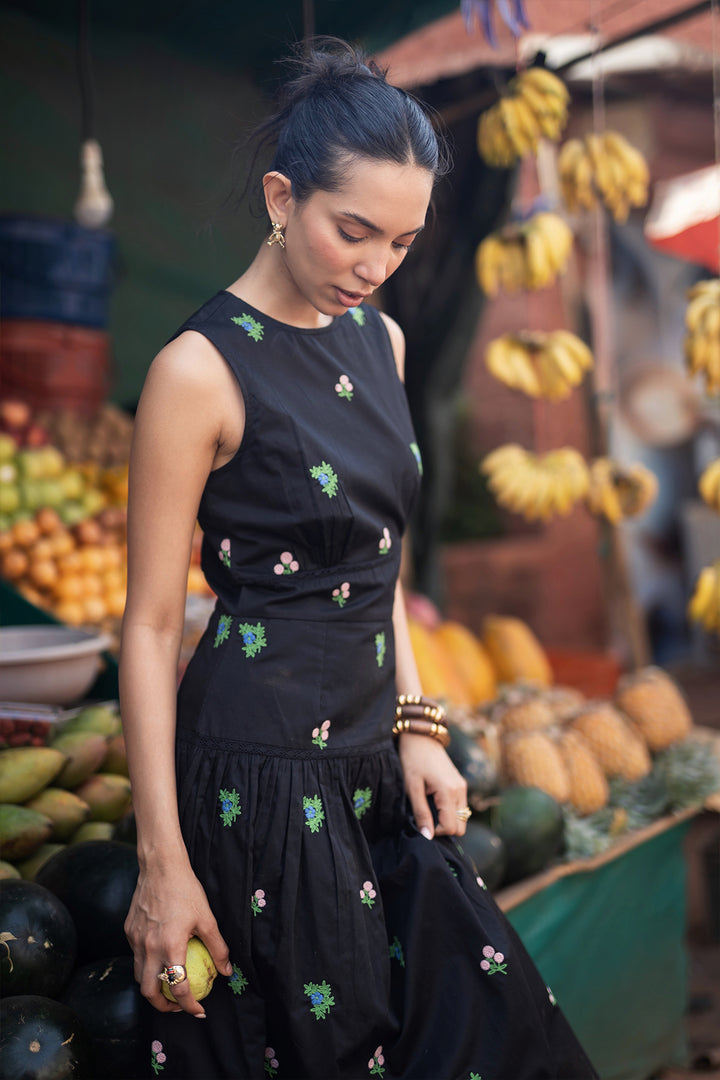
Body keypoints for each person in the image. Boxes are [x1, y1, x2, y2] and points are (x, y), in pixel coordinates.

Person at [120, 38, 598, 1080]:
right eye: (354, 232)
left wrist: (421, 727)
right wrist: (163, 864)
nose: (377, 267)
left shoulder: (379, 342)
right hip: (258, 783)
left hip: (379, 770)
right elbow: (152, 625)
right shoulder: (195, 373)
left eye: (404, 241)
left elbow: (377, 563)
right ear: (282, 198)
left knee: (499, 1034)